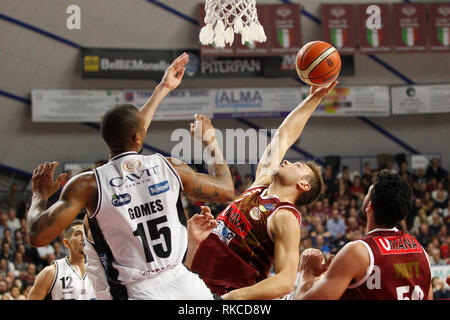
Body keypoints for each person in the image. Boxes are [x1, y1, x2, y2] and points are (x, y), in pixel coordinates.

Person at [26, 53, 234, 300]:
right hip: (186, 284)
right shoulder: (169, 167)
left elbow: (37, 236)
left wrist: (39, 196)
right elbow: (226, 189)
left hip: (136, 292)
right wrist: (210, 141)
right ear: (138, 137)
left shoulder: (88, 184)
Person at [189, 81, 337, 300]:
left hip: (227, 295)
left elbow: (286, 281)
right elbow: (283, 136)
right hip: (197, 286)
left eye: (297, 166)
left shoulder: (285, 216)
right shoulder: (261, 185)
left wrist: (234, 298)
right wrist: (313, 98)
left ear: (303, 185)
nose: (287, 161)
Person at [294, 171, 433, 300]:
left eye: (367, 193)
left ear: (369, 206)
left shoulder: (358, 252)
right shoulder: (421, 251)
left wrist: (307, 274)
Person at [27, 220, 95, 300]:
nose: (83, 238)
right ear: (66, 243)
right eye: (78, 234)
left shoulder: (98, 270)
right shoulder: (52, 272)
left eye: (85, 234)